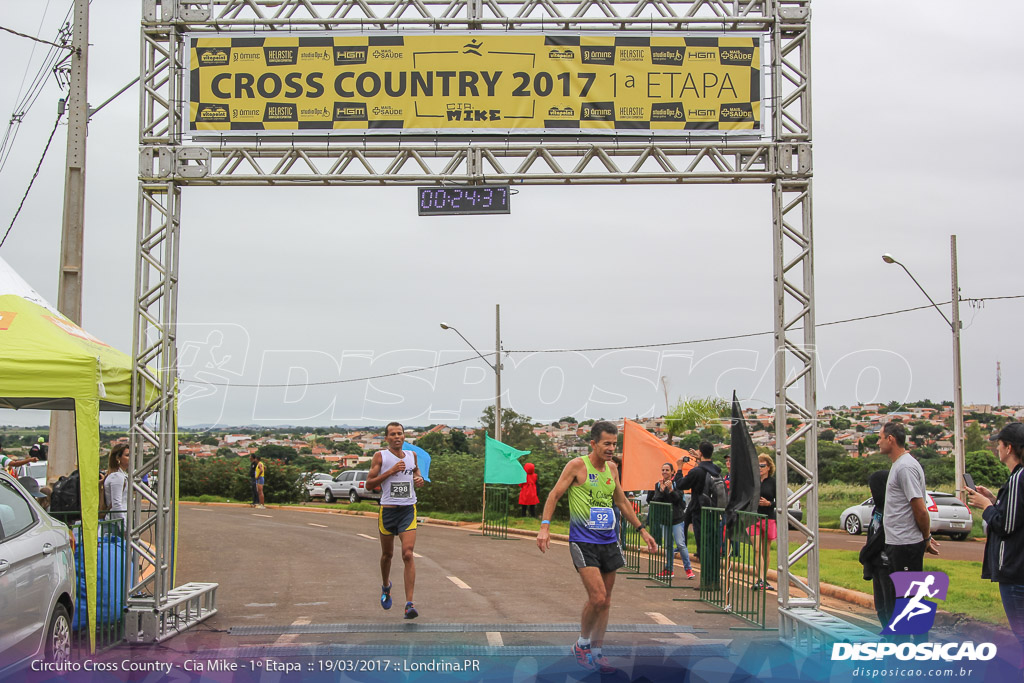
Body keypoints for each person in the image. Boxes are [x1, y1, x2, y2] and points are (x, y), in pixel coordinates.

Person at [537, 421, 658, 673]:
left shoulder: (612, 469)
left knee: (607, 600)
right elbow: (554, 495)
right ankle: (582, 644)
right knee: (597, 596)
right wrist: (544, 526)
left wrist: (642, 530)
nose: (611, 448)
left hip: (609, 541)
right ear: (593, 443)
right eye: (607, 444)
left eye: (614, 443)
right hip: (583, 541)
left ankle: (598, 651)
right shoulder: (577, 466)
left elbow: (622, 501)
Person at [967, 422, 1024, 662]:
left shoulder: (1018, 479)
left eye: (998, 444)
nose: (997, 449)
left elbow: (1006, 526)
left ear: (1008, 447)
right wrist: (993, 499)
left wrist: (986, 506)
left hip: (1014, 572)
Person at [366, 422, 425, 620]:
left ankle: (409, 604)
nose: (397, 437)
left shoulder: (411, 455)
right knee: (387, 555)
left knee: (408, 554)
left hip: (408, 510)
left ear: (403, 437)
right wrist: (390, 472)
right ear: (387, 438)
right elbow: (369, 485)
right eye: (393, 434)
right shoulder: (381, 457)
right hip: (388, 511)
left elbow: (416, 471)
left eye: (400, 433)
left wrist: (419, 478)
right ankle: (386, 586)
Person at [881, 422, 939, 582]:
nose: (878, 442)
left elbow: (920, 510)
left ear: (890, 439)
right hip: (898, 543)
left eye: (880, 438)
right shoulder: (899, 465)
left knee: (908, 599)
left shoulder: (905, 467)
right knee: (900, 597)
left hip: (905, 545)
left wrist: (926, 537)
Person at [859, 470, 894, 630]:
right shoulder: (877, 509)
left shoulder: (892, 509)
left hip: (888, 564)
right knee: (880, 607)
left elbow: (881, 537)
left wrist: (865, 553)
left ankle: (896, 641)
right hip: (876, 564)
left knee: (890, 607)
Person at [674, 441, 720, 560]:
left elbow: (680, 484)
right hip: (711, 506)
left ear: (700, 452)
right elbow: (707, 465)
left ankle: (703, 557)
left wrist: (679, 468)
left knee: (700, 533)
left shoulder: (696, 471)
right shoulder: (716, 469)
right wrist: (698, 458)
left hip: (698, 506)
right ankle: (694, 550)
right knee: (689, 522)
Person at [650, 462, 694, 579]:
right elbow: (656, 500)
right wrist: (661, 490)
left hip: (677, 519)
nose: (665, 472)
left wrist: (670, 490)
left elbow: (678, 500)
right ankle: (669, 569)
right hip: (665, 519)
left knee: (680, 544)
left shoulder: (677, 484)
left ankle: (688, 569)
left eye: (667, 470)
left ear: (672, 472)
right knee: (668, 545)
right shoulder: (658, 485)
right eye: (663, 470)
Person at [749, 453, 777, 591]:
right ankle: (759, 579)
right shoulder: (752, 481)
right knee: (757, 548)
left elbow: (779, 501)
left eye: (762, 465)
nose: (759, 468)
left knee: (765, 550)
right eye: (757, 465)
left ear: (768, 467)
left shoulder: (773, 482)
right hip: (754, 517)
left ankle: (763, 579)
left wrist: (769, 503)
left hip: (768, 517)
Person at [103, 444, 130, 526]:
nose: (131, 458)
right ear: (118, 458)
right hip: (116, 524)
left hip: (118, 521)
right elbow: (116, 504)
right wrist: (124, 527)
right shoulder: (117, 476)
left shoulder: (122, 475)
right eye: (127, 455)